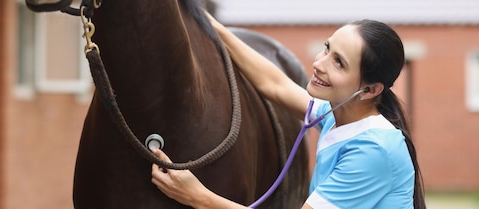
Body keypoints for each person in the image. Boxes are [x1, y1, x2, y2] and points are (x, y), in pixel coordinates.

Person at [150, 13, 426, 209]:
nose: (319, 63)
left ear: (370, 90)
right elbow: (275, 84)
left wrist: (197, 196)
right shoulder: (338, 113)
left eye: (339, 63)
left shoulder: (374, 150)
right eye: (327, 48)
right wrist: (209, 24)